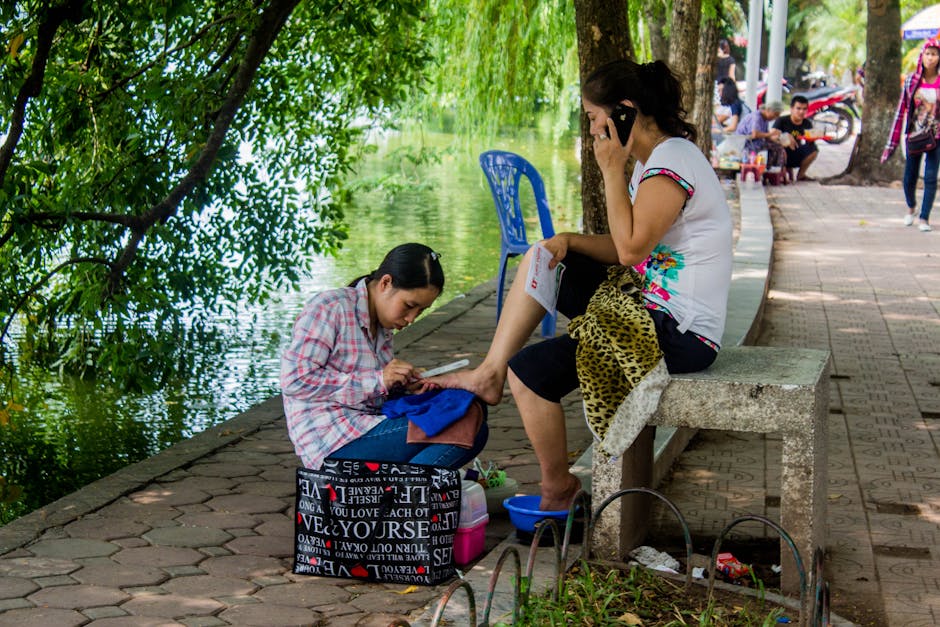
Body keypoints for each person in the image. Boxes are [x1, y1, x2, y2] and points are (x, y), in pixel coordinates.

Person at [433, 59, 732, 511]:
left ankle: (559, 488)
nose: (592, 130)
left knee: (530, 375)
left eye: (595, 118)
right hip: (650, 305)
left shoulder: (670, 164)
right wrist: (569, 241)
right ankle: (490, 371)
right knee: (546, 258)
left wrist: (610, 170)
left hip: (679, 334)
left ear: (624, 112)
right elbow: (630, 247)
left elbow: (631, 251)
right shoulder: (656, 160)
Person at [280, 243, 488, 470]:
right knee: (465, 420)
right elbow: (295, 380)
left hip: (367, 426)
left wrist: (404, 387)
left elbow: (372, 396)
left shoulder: (382, 327)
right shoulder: (329, 308)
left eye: (420, 311)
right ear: (385, 283)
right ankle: (404, 496)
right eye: (409, 306)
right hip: (331, 441)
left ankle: (399, 495)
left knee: (472, 418)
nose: (411, 319)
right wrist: (379, 380)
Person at [882, 38, 940, 232]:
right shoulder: (911, 81)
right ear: (922, 56)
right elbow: (901, 110)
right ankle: (911, 207)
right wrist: (893, 141)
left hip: (936, 136)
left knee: (931, 177)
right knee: (909, 176)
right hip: (914, 135)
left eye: (935, 54)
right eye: (928, 54)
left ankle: (924, 218)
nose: (931, 58)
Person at [773, 95, 819, 181]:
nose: (801, 112)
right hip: (781, 153)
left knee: (814, 149)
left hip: (797, 152)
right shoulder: (782, 121)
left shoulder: (807, 123)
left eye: (804, 109)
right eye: (798, 108)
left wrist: (815, 137)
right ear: (791, 109)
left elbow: (810, 142)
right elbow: (772, 135)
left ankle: (801, 175)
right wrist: (785, 137)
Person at [735, 100, 786, 167]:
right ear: (768, 110)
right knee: (778, 148)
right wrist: (771, 134)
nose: (775, 118)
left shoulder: (765, 119)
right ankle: (772, 168)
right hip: (747, 143)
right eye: (775, 115)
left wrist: (777, 140)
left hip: (756, 142)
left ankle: (772, 168)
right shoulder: (757, 117)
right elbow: (755, 135)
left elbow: (765, 135)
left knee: (778, 147)